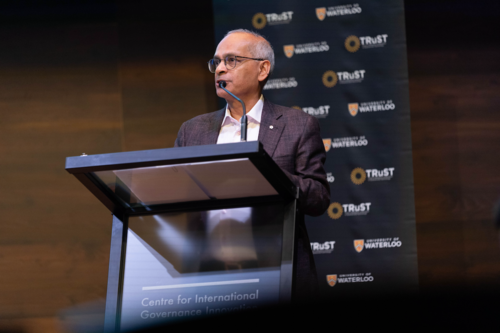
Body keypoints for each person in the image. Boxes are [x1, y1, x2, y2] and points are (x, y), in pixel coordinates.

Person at [174, 29, 330, 301]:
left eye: (231, 60)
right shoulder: (193, 131)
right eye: (216, 62)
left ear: (262, 69)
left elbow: (318, 197)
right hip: (208, 275)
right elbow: (174, 193)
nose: (220, 68)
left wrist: (265, 172)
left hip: (276, 272)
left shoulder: (298, 125)